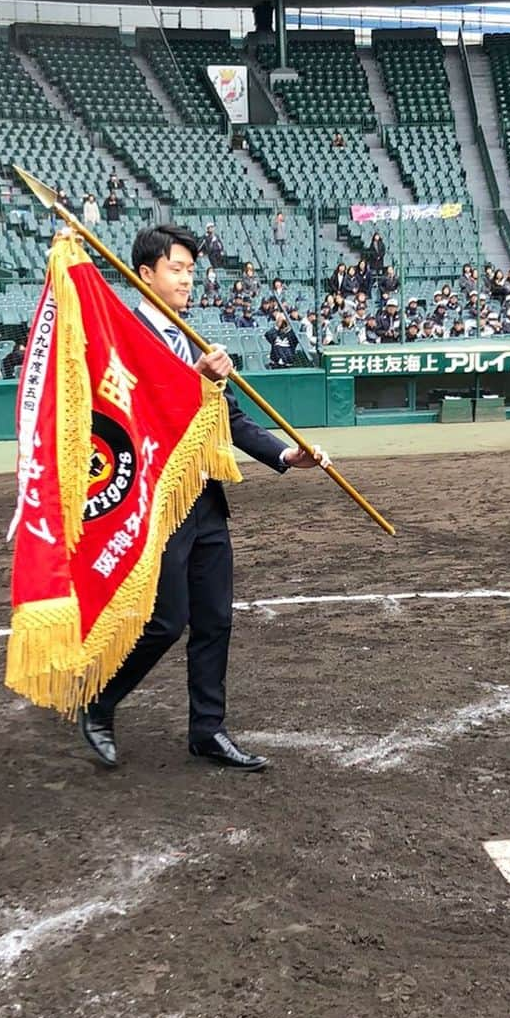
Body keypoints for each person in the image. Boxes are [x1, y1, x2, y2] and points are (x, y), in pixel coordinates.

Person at [77, 224, 329, 772]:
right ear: (145, 274)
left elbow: (227, 418)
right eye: (177, 268)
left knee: (215, 618)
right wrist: (194, 379)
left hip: (205, 500)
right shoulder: (122, 342)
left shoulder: (189, 336)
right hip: (155, 503)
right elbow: (134, 418)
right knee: (167, 619)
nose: (188, 278)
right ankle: (99, 702)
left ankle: (207, 731)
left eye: (192, 269)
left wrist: (285, 455)